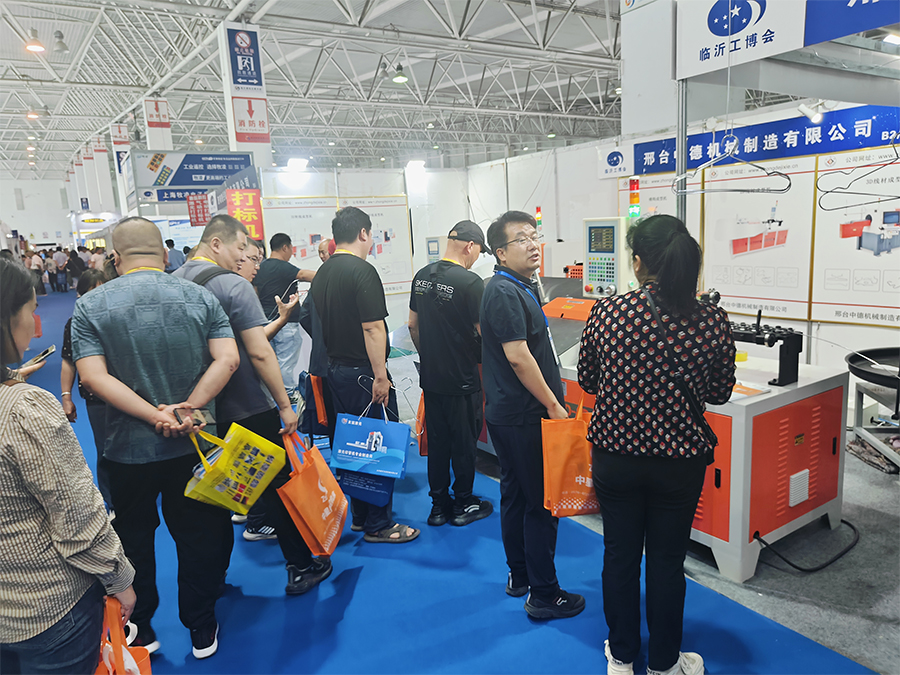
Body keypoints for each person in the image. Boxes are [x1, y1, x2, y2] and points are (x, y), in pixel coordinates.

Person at [72, 217, 240, 660]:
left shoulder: (91, 306)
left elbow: (93, 377)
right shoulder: (200, 296)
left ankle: (141, 629)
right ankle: (201, 627)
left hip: (127, 449)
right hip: (195, 443)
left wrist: (153, 415)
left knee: (133, 538)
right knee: (201, 534)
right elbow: (228, 359)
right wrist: (188, 408)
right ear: (165, 255)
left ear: (114, 258)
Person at [578, 215, 737, 675]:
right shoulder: (711, 319)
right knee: (667, 562)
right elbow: (719, 392)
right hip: (679, 462)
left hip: (616, 456)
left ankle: (622, 657)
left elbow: (587, 379)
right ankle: (666, 663)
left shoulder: (608, 313)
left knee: (619, 555)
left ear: (638, 261)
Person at [174, 216, 333, 592]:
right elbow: (258, 352)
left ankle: (213, 579)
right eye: (240, 249)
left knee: (213, 493)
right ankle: (300, 565)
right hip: (246, 402)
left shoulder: (175, 282)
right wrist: (284, 405)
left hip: (198, 411)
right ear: (216, 244)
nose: (244, 257)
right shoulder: (231, 285)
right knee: (278, 485)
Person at [0, 258, 136, 675]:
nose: (35, 322)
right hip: (46, 607)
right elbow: (76, 515)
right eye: (31, 309)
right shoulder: (25, 410)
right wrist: (119, 578)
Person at [480, 210, 584, 619]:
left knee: (516, 495)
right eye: (521, 239)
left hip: (509, 412)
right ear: (501, 253)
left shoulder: (517, 287)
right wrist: (554, 405)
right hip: (524, 415)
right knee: (541, 503)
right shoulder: (505, 291)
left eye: (534, 235)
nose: (532, 244)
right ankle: (544, 595)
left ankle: (520, 574)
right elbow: (519, 357)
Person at [311, 207, 419, 544]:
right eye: (371, 235)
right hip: (363, 374)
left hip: (336, 371)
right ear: (362, 233)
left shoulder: (323, 273)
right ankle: (378, 524)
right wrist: (380, 376)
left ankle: (360, 516)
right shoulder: (362, 271)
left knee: (351, 444)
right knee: (376, 444)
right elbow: (372, 328)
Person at [408, 220, 493, 527]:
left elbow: (412, 325)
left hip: (432, 379)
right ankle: (464, 503)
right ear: (470, 246)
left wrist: (429, 356)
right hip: (462, 379)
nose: (476, 258)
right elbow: (483, 333)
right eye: (479, 251)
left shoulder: (421, 276)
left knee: (439, 443)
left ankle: (438, 506)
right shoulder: (471, 283)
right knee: (464, 444)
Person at [61, 269, 112, 511]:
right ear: (80, 295)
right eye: (91, 293)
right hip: (95, 398)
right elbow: (68, 361)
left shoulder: (118, 319)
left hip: (129, 395)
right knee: (104, 449)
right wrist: (66, 396)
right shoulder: (74, 324)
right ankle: (111, 501)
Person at [253, 233, 316, 404]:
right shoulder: (284, 267)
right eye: (291, 249)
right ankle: (287, 394)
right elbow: (305, 275)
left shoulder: (260, 268)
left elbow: (255, 293)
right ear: (285, 247)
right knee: (286, 362)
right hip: (286, 324)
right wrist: (331, 274)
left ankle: (273, 396)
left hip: (265, 324)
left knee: (270, 361)